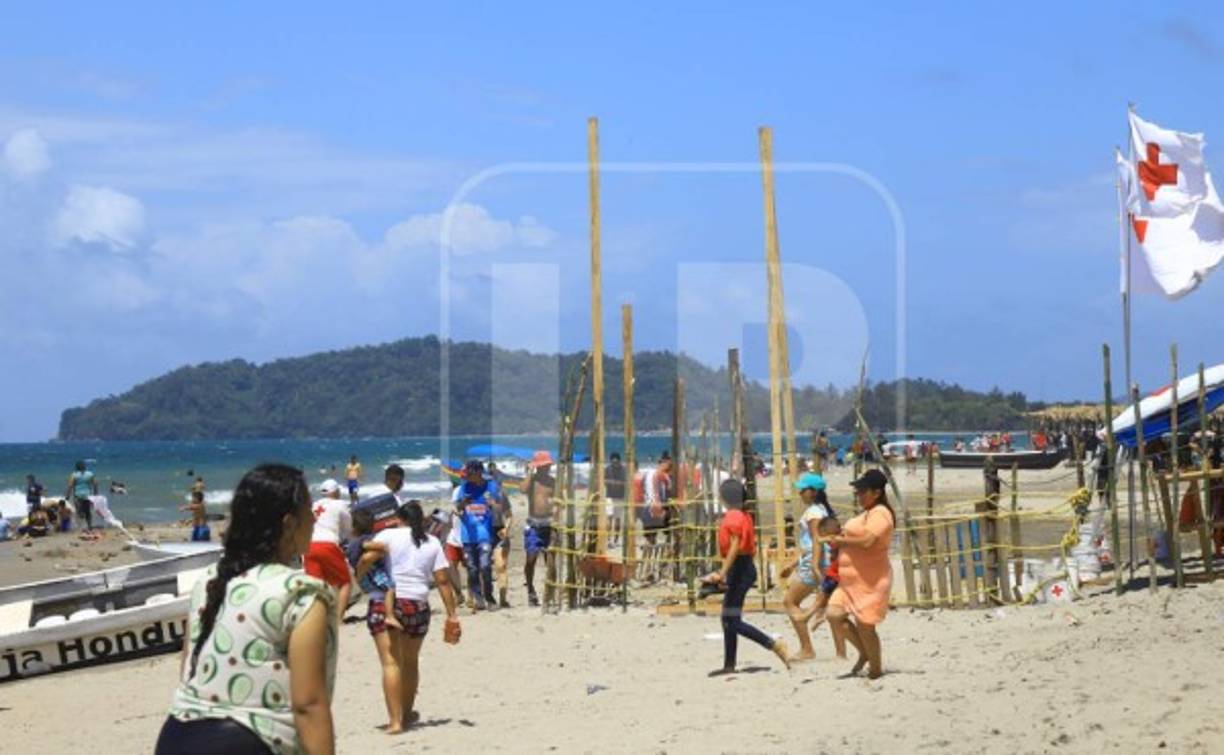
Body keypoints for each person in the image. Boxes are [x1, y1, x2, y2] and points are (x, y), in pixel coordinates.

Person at [156, 464, 336, 755]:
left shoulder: (211, 580)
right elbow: (308, 705)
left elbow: (188, 667)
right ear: (289, 524)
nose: (314, 521)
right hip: (248, 741)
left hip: (176, 735)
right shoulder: (300, 593)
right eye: (309, 512)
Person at [360, 501, 461, 733]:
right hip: (417, 605)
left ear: (399, 518)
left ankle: (395, 721)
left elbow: (366, 559)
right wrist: (452, 615)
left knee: (390, 662)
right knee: (410, 662)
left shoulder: (387, 535)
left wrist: (360, 578)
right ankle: (405, 714)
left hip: (386, 602)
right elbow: (443, 581)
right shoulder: (432, 542)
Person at [702, 479, 790, 676]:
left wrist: (722, 574)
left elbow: (735, 546)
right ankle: (729, 664)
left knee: (731, 620)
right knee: (728, 618)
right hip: (741, 568)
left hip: (740, 569)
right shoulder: (743, 515)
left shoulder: (733, 517)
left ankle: (774, 645)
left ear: (724, 497)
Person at [826, 468, 896, 679]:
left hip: (871, 581)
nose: (859, 496)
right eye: (857, 492)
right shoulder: (866, 513)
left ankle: (875, 669)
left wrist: (841, 541)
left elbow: (867, 541)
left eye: (863, 491)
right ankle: (864, 652)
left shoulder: (881, 514)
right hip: (849, 582)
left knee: (866, 627)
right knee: (834, 615)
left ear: (876, 492)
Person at [345, 508, 403, 733]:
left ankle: (396, 720)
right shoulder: (368, 542)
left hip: (377, 602)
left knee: (390, 663)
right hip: (395, 599)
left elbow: (363, 563)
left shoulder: (358, 544)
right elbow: (375, 552)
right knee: (398, 663)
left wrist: (358, 573)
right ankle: (400, 716)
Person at [778, 472, 833, 662]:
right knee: (795, 601)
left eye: (803, 490)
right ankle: (816, 614)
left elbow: (817, 541)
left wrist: (814, 566)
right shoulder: (821, 510)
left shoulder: (814, 513)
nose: (800, 493)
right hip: (813, 560)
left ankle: (807, 648)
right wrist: (793, 564)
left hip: (813, 561)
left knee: (790, 602)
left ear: (813, 492)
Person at [304, 479, 353, 622]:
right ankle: (338, 619)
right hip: (328, 544)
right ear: (336, 491)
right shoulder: (340, 504)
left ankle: (315, 619)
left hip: (309, 545)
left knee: (316, 586)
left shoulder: (314, 505)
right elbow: (348, 527)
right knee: (345, 582)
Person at [452, 460, 497, 611]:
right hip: (468, 536)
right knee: (472, 568)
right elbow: (457, 509)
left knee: (485, 566)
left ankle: (489, 597)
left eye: (469, 474)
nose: (466, 477)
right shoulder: (464, 488)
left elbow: (501, 507)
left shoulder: (491, 486)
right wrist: (462, 504)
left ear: (478, 472)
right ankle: (478, 598)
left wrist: (492, 504)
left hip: (485, 534)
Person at [809, 516, 847, 659]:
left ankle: (812, 615)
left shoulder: (839, 537)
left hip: (836, 575)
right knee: (825, 599)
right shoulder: (837, 538)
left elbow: (829, 540)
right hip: (834, 573)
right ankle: (818, 615)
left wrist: (820, 538)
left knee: (824, 596)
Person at [522, 450, 557, 607]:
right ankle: (530, 590)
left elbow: (559, 500)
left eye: (547, 466)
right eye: (542, 467)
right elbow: (522, 489)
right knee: (531, 558)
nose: (546, 469)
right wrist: (529, 472)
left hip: (549, 524)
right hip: (534, 525)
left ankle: (550, 591)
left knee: (550, 560)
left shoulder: (553, 482)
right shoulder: (532, 482)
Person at [486, 462, 513, 608]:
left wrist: (506, 529)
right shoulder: (481, 495)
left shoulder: (502, 495)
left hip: (500, 531)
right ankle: (485, 598)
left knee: (501, 566)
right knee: (483, 567)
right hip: (484, 532)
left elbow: (509, 515)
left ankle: (503, 599)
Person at [65, 461, 97, 532]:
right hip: (88, 496)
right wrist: (95, 494)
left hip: (78, 496)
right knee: (88, 512)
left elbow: (70, 486)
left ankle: (81, 527)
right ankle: (89, 526)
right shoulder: (90, 474)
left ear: (76, 467)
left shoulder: (74, 475)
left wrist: (67, 495)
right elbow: (95, 484)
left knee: (79, 512)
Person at [605, 452, 627, 547]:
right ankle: (609, 540)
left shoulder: (623, 469)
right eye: (613, 462)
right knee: (609, 518)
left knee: (617, 519)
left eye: (616, 462)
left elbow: (625, 482)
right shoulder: (607, 469)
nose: (614, 464)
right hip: (609, 496)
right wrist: (613, 482)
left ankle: (616, 540)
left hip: (620, 497)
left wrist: (614, 483)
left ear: (619, 461)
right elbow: (603, 480)